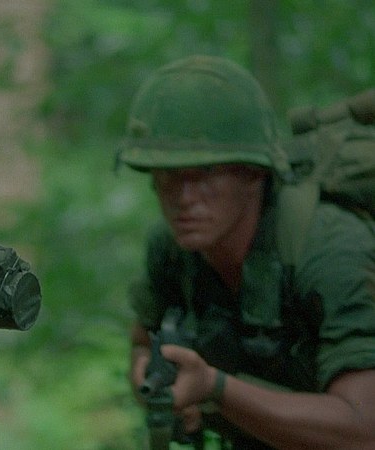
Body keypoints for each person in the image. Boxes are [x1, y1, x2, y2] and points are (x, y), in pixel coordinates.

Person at [118, 54, 375, 449]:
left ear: (253, 173)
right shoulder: (172, 250)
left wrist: (214, 388)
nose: (184, 198)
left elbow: (363, 430)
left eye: (205, 173)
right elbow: (142, 342)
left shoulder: (328, 250)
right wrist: (153, 380)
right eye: (168, 175)